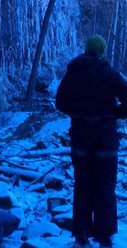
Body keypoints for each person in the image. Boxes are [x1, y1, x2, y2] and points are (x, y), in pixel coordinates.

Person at [56, 35, 127, 248]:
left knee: (82, 185)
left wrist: (77, 113)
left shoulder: (73, 73)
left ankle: (81, 235)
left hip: (80, 139)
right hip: (105, 140)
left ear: (86, 50)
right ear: (102, 51)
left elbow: (60, 102)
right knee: (105, 186)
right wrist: (115, 112)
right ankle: (105, 238)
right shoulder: (110, 74)